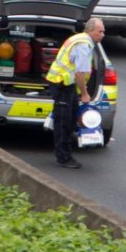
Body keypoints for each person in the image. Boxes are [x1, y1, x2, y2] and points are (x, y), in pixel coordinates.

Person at [44, 17, 106, 169]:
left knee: (69, 118)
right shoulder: (83, 46)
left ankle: (65, 153)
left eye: (103, 31)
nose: (103, 34)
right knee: (64, 121)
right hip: (63, 84)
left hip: (65, 84)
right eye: (100, 31)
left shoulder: (81, 40)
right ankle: (63, 157)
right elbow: (79, 73)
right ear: (91, 30)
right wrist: (84, 94)